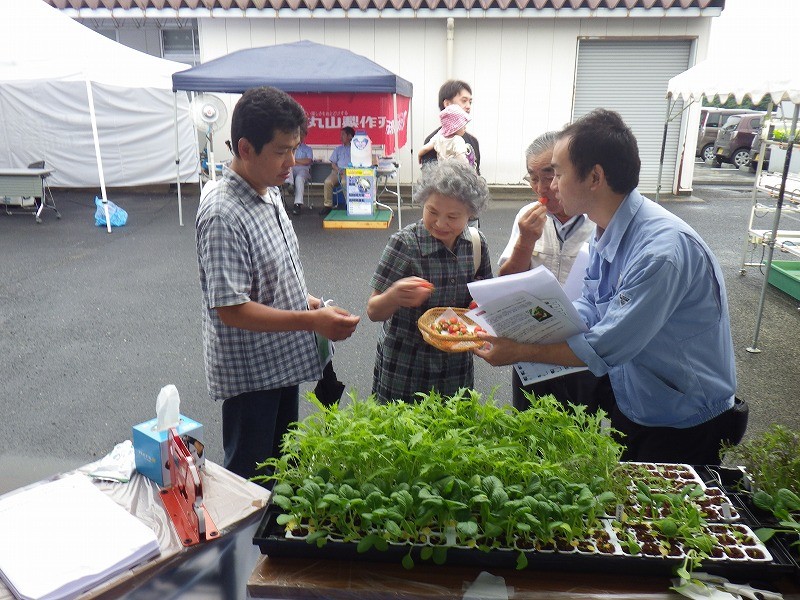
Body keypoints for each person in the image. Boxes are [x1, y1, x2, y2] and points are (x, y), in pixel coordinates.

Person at [475, 108, 739, 466]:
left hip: (683, 416)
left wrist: (518, 349)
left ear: (594, 177)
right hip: (639, 397)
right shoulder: (608, 228)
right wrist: (524, 325)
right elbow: (590, 306)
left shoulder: (660, 252)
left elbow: (605, 347)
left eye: (558, 173)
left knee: (659, 515)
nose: (549, 187)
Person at [195, 86, 360, 481]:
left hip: (280, 362)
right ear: (246, 148)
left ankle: (271, 544)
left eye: (296, 148)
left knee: (280, 468)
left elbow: (268, 275)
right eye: (282, 151)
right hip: (252, 375)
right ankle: (245, 545)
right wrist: (312, 322)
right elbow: (232, 308)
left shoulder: (266, 191)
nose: (294, 160)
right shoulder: (223, 212)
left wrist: (309, 301)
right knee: (250, 478)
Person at [367, 159, 492, 403]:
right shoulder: (405, 244)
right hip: (406, 367)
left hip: (455, 369)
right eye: (432, 212)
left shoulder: (476, 245)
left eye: (453, 216)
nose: (440, 223)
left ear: (471, 214)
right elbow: (373, 311)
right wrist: (394, 296)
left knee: (451, 435)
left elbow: (484, 299)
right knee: (401, 436)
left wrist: (480, 308)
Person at [497, 131, 598, 412]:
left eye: (550, 175)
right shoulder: (526, 216)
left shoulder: (598, 221)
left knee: (579, 428)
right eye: (533, 177)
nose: (542, 187)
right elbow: (506, 282)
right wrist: (526, 239)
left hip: (581, 348)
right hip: (531, 344)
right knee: (529, 427)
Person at [420, 80, 481, 175]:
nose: (468, 106)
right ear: (447, 104)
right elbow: (429, 181)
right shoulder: (433, 141)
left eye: (470, 102)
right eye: (464, 101)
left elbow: (477, 173)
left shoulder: (473, 141)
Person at [319, 126, 355, 216]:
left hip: (350, 172)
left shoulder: (356, 149)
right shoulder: (338, 149)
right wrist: (338, 169)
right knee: (327, 182)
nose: (341, 137)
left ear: (350, 136)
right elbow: (333, 163)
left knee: (344, 182)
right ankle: (328, 206)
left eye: (343, 134)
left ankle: (350, 205)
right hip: (337, 171)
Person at [286, 132, 313, 216]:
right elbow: (287, 160)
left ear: (304, 137)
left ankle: (297, 204)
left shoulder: (308, 149)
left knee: (299, 178)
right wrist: (300, 161)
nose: (299, 137)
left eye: (301, 135)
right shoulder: (290, 148)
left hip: (303, 170)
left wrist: (295, 161)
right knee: (289, 168)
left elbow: (308, 161)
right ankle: (290, 184)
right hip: (292, 169)